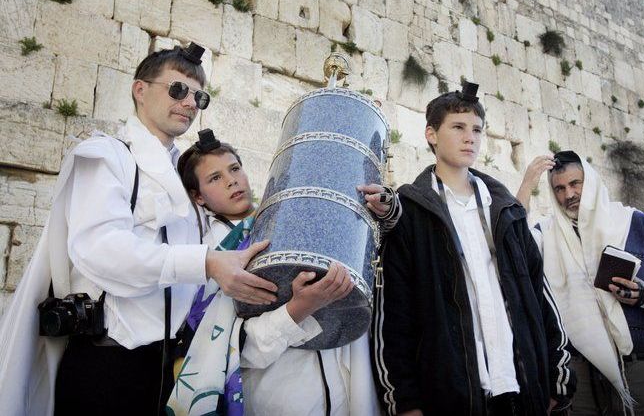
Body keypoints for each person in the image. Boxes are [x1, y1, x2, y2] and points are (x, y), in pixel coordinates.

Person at [0, 43, 279, 416]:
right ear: (140, 90)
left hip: (166, 367)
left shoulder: (181, 173)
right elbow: (101, 250)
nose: (189, 103)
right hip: (110, 366)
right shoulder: (107, 155)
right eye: (177, 89)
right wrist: (208, 263)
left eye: (199, 96)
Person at [371, 82, 575, 416]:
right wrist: (404, 404)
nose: (471, 138)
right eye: (458, 127)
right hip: (452, 399)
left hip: (523, 394)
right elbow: (392, 318)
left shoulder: (506, 211)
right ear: (431, 134)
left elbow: (541, 299)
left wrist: (558, 383)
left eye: (477, 130)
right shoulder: (411, 214)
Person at [166, 130, 393, 415]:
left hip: (345, 390)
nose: (231, 180)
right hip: (279, 398)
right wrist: (299, 308)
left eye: (234, 169)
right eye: (215, 178)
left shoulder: (289, 217)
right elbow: (230, 350)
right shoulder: (212, 258)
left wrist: (384, 211)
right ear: (198, 197)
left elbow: (364, 255)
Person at [517, 151, 644, 415]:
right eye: (560, 188)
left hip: (643, 365)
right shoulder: (547, 235)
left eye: (575, 184)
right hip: (581, 373)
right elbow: (513, 247)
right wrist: (526, 184)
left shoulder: (636, 224)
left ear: (590, 180)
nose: (569, 195)